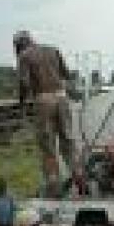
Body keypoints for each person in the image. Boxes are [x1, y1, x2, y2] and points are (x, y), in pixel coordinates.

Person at [14, 30, 76, 197]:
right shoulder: (53, 50)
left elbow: (24, 83)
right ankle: (77, 176)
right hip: (62, 98)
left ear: (19, 45)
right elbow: (67, 75)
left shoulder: (24, 56)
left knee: (47, 146)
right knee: (68, 140)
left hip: (43, 100)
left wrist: (22, 103)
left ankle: (53, 184)